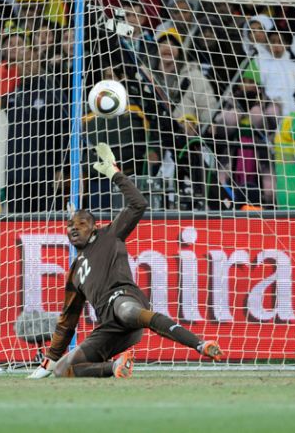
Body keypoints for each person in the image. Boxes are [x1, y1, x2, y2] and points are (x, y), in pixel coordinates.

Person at [28, 143, 223, 379]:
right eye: (70, 225)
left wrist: (114, 173)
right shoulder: (75, 272)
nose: (74, 228)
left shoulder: (109, 234)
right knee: (62, 370)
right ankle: (116, 366)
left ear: (94, 227)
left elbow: (138, 204)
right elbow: (67, 322)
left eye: (81, 224)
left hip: (123, 299)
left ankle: (199, 344)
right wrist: (49, 360)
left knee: (128, 311)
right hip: (110, 328)